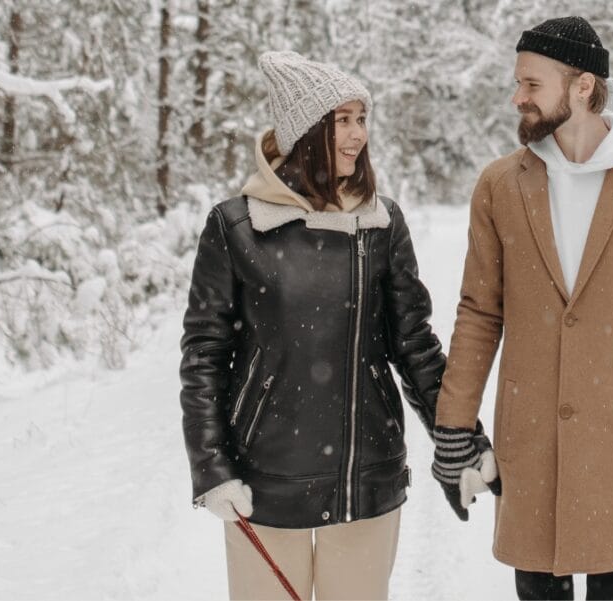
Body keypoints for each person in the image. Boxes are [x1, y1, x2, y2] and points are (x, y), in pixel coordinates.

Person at [430, 16, 613, 601]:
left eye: (531, 84)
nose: (517, 97)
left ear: (582, 87)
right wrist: (454, 426)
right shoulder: (501, 184)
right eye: (517, 82)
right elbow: (479, 312)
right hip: (530, 440)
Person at [179, 51, 451, 600]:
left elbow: (415, 345)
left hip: (365, 478)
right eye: (341, 121)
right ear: (305, 132)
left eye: (361, 119)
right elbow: (204, 354)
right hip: (265, 483)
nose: (357, 135)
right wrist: (212, 467)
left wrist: (461, 440)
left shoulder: (381, 223)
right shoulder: (237, 226)